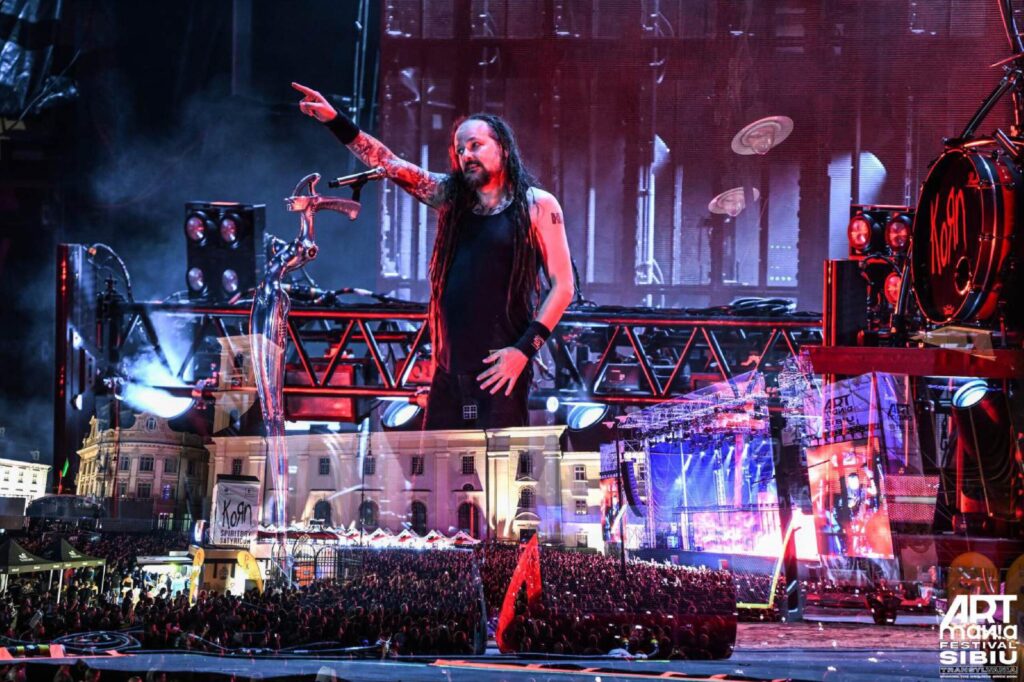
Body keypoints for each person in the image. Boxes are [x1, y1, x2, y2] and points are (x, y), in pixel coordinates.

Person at [292, 82, 574, 429]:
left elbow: (563, 286)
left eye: (476, 145)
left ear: (502, 148)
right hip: (448, 369)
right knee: (437, 461)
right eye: (460, 149)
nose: (466, 155)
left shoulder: (537, 205)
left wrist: (524, 351)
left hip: (499, 368)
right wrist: (335, 120)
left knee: (496, 463)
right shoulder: (451, 198)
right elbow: (388, 162)